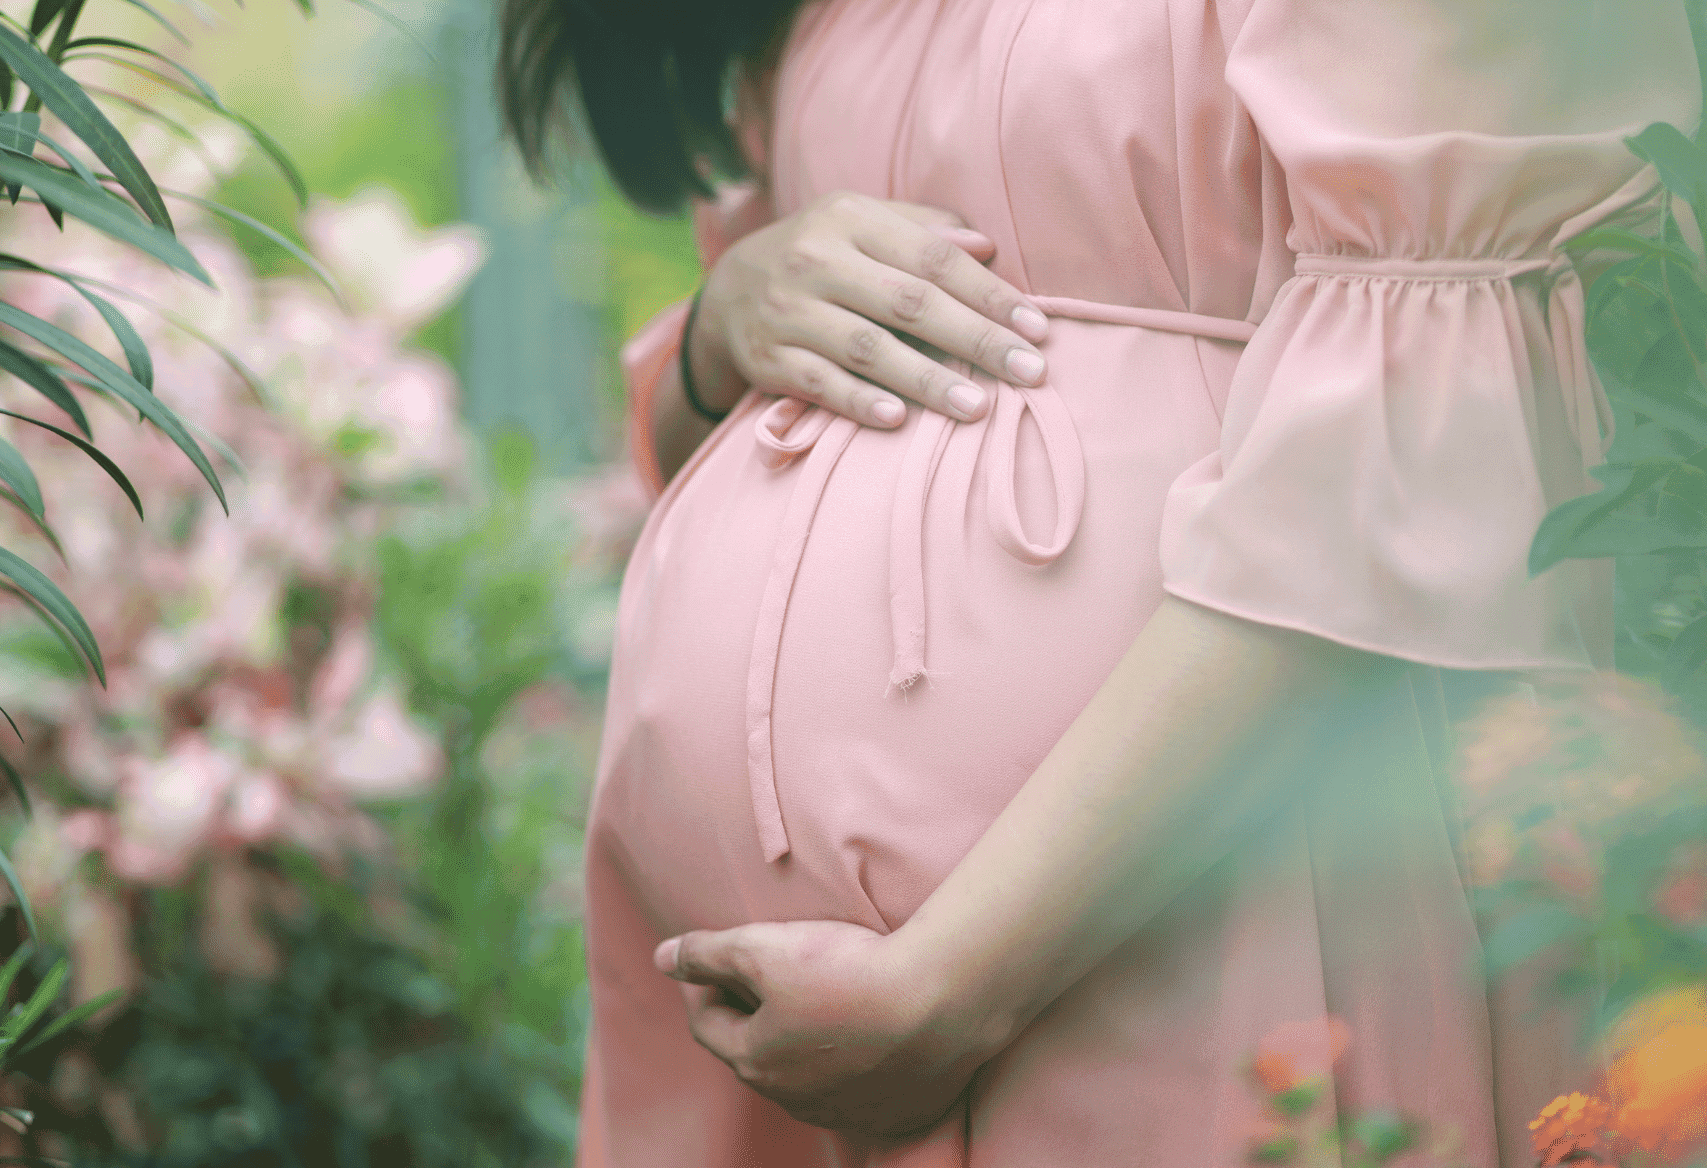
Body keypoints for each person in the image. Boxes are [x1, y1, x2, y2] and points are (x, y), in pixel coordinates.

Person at [496, 0, 1700, 1163]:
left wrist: (948, 987)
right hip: (796, 1060)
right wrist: (723, 321)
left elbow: (1434, 454)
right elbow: (712, 430)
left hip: (1217, 898)